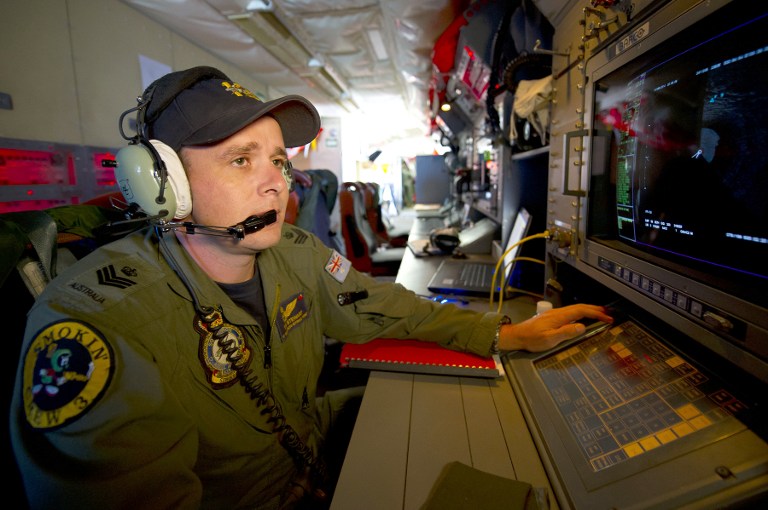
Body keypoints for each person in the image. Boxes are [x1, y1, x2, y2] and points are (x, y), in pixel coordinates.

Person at [10, 66, 612, 510]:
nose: (276, 182)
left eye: (277, 159)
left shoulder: (292, 252)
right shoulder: (102, 326)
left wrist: (502, 332)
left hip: (307, 448)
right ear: (162, 186)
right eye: (241, 160)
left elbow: (385, 308)